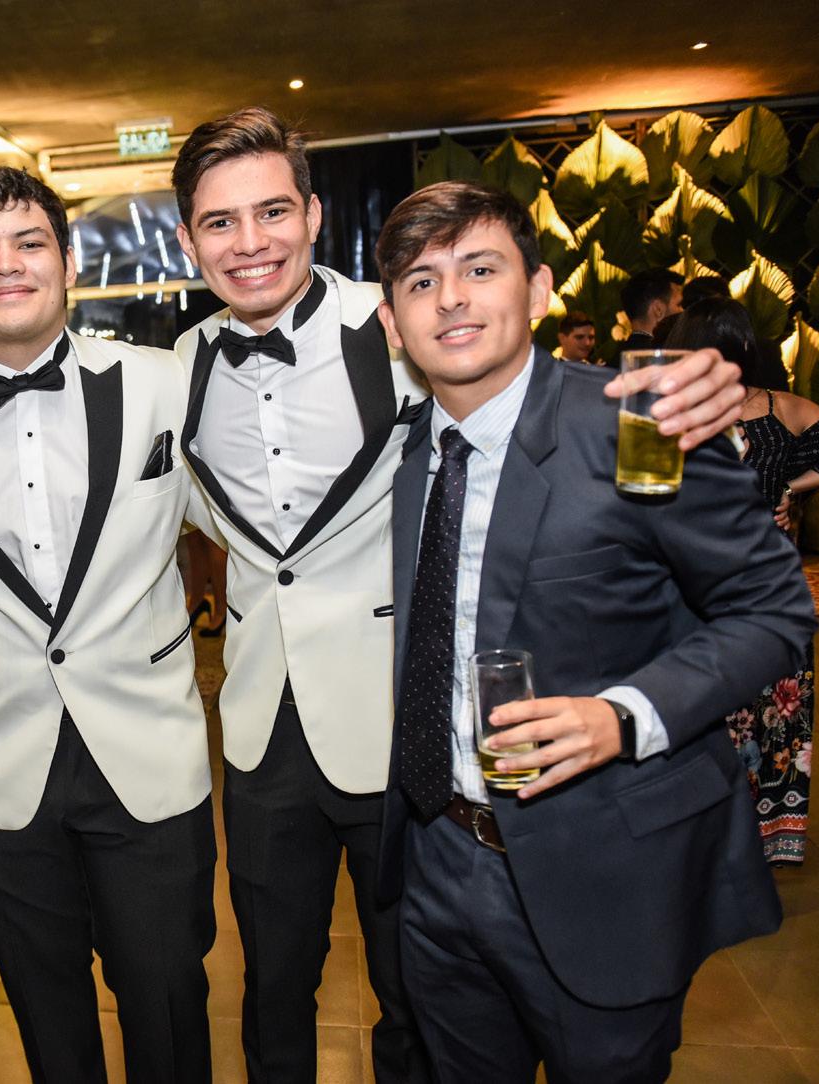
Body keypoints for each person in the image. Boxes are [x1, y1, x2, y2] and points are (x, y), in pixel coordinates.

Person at [168, 108, 745, 1084]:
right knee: (273, 988)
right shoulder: (181, 365)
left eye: (271, 211)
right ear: (189, 241)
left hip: (404, 718)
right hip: (263, 724)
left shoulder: (409, 315)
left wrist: (690, 397)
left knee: (416, 996)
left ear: (313, 216)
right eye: (220, 222)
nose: (249, 241)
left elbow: (535, 395)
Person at [372, 180, 815, 1083]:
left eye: (479, 268)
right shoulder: (406, 449)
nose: (449, 298)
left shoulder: (640, 424)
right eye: (420, 281)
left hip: (604, 871)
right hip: (437, 859)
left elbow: (773, 610)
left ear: (538, 291)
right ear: (391, 324)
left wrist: (622, 716)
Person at [0, 166, 215, 1084]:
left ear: (67, 262)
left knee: (167, 999)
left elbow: (248, 521)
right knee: (45, 1012)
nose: (6, 265)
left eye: (28, 243)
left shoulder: (163, 385)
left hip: (147, 749)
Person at [669, 295, 819, 865]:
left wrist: (793, 488)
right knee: (715, 712)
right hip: (699, 588)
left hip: (769, 588)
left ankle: (766, 836)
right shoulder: (671, 411)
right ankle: (711, 837)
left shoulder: (777, 406)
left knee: (777, 710)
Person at [619, 267, 684, 351]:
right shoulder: (665, 355)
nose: (683, 311)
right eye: (679, 305)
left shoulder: (622, 353)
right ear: (658, 309)